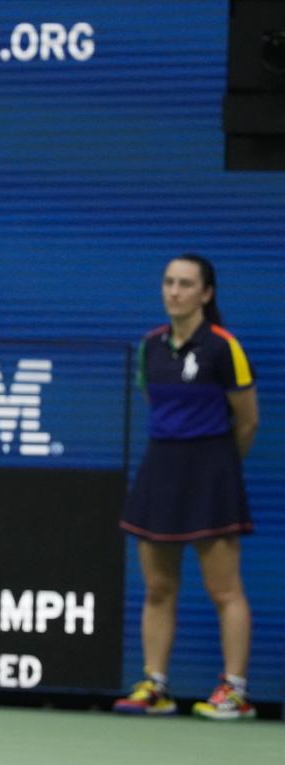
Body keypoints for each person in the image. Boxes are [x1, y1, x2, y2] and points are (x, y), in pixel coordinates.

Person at [113, 254, 258, 721]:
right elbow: (156, 407)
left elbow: (248, 420)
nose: (174, 291)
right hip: (161, 470)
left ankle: (234, 691)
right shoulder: (149, 347)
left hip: (211, 472)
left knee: (224, 590)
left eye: (186, 284)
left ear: (207, 294)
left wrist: (218, 469)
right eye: (169, 283)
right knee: (157, 586)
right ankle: (155, 686)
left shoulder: (223, 347)